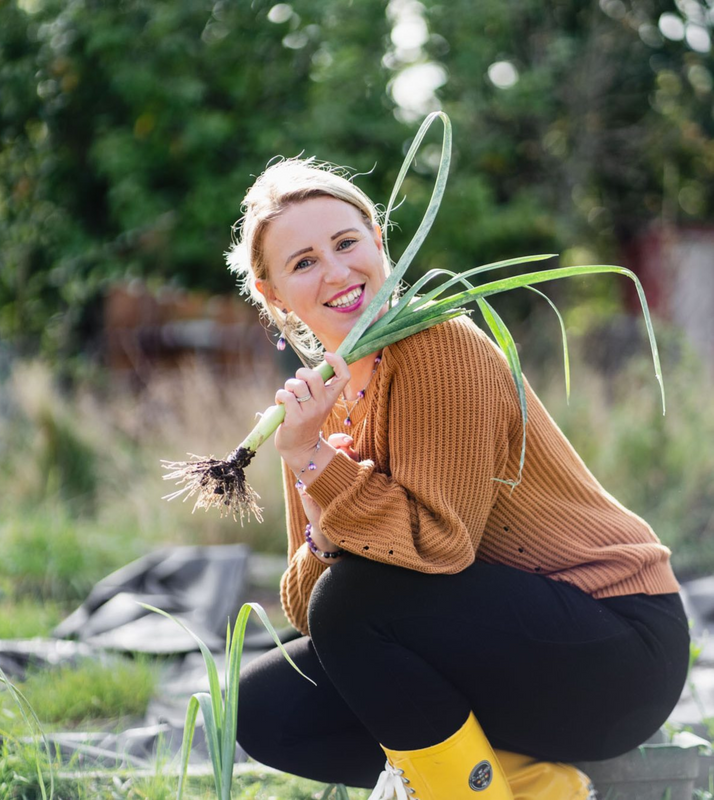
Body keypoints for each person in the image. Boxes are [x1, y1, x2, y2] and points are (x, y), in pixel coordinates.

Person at [228, 157, 689, 799]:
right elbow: (308, 608)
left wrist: (319, 469)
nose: (335, 272)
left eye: (345, 242)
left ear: (378, 242)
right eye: (303, 262)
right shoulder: (315, 405)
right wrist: (314, 480)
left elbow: (439, 549)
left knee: (357, 601)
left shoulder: (438, 346)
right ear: (273, 292)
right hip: (508, 651)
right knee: (266, 704)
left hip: (616, 648)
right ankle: (543, 787)